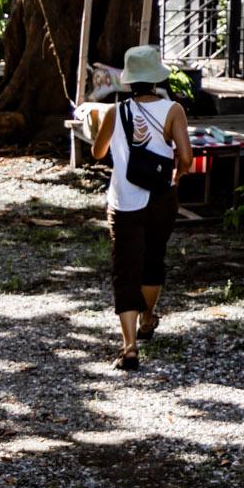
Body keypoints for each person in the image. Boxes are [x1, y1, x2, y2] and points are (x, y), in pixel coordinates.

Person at [90, 45, 189, 371]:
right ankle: (148, 318)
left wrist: (96, 126)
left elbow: (98, 152)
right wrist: (176, 176)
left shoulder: (114, 113)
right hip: (162, 197)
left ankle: (129, 347)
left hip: (125, 200)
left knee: (125, 270)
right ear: (157, 77)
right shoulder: (173, 110)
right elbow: (186, 157)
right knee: (153, 259)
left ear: (129, 81)